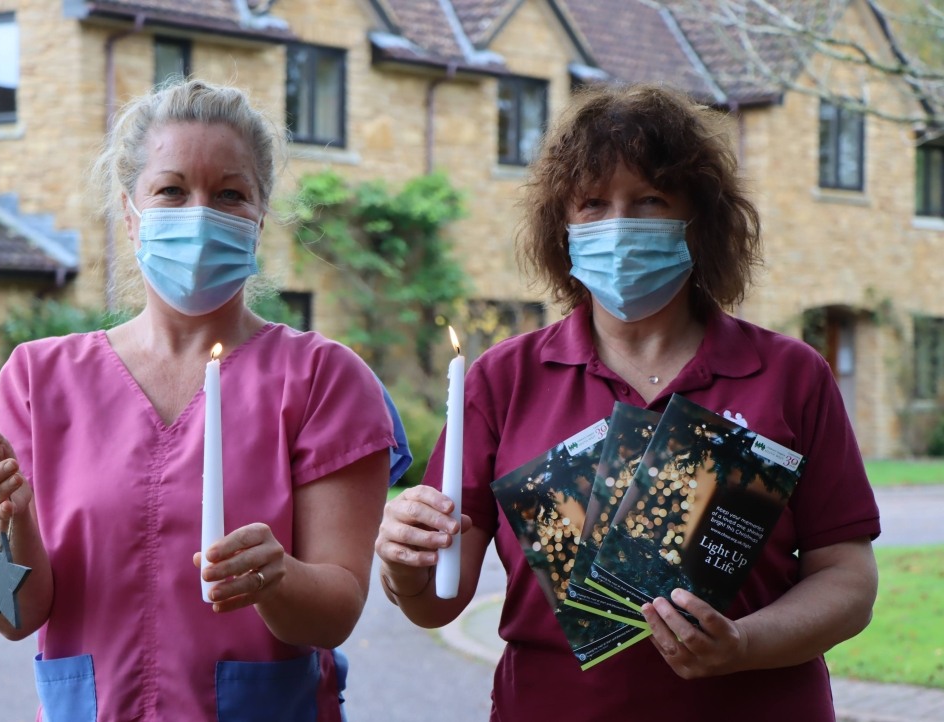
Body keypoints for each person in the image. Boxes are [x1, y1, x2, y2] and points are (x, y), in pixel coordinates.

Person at [374, 83, 879, 721]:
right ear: (561, 225)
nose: (619, 227)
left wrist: (744, 644)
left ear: (699, 218)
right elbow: (439, 601)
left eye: (650, 201)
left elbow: (849, 581)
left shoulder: (789, 374)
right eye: (592, 204)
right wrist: (402, 565)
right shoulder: (501, 380)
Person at [0, 78, 409, 722]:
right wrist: (12, 516)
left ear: (259, 215)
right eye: (171, 190)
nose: (200, 213)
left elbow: (335, 613)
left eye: (229, 194)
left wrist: (275, 578)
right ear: (129, 210)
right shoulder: (38, 380)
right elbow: (9, 616)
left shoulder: (324, 381)